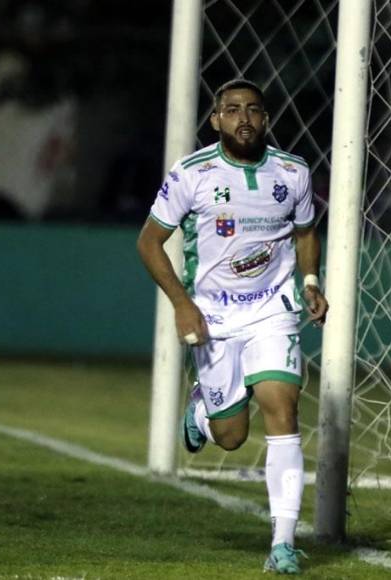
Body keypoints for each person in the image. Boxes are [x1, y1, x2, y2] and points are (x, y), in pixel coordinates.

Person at [137, 79, 327, 575]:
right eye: (232, 110)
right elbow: (149, 242)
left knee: (282, 409)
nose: (244, 118)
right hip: (214, 316)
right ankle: (203, 412)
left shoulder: (293, 171)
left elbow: (306, 231)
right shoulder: (192, 174)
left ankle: (283, 544)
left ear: (266, 118)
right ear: (215, 119)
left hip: (273, 309)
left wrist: (309, 281)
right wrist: (182, 304)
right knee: (230, 437)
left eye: (254, 110)